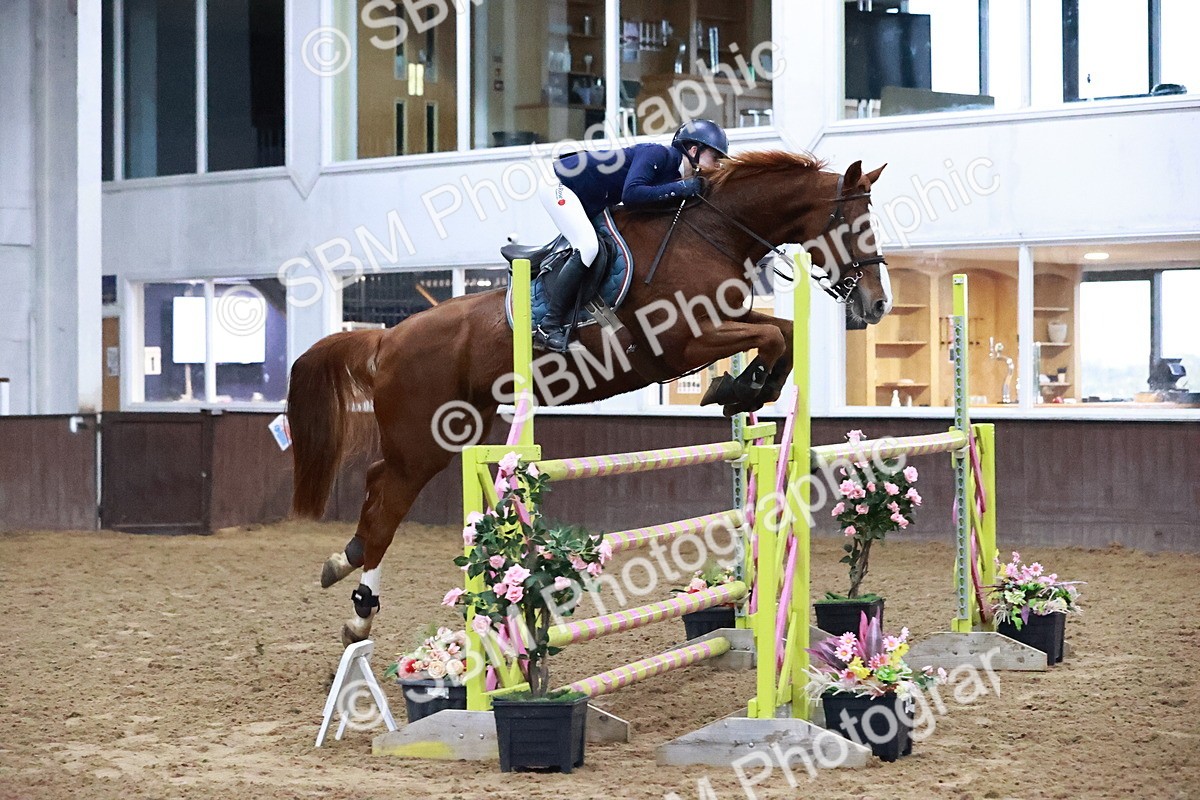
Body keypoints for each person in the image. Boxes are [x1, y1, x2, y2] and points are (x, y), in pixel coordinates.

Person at [533, 119, 729, 352]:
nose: (718, 167)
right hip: (561, 186)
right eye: (715, 158)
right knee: (587, 247)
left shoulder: (672, 176)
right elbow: (633, 194)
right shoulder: (659, 154)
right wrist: (686, 188)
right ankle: (549, 325)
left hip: (589, 198)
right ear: (694, 151)